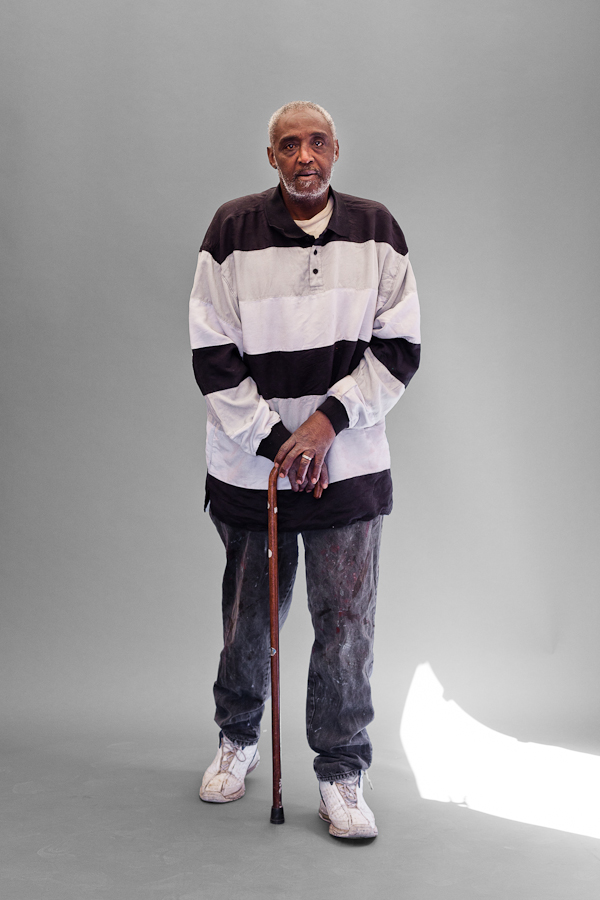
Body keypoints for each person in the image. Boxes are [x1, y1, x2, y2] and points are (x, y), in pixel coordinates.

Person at [188, 101, 420, 839]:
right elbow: (212, 353)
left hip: (348, 465)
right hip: (249, 468)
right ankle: (237, 738)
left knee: (347, 623)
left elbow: (399, 346)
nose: (304, 156)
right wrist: (277, 445)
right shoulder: (230, 230)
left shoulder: (378, 230)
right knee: (248, 617)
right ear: (272, 157)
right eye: (289, 145)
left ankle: (342, 772)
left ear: (336, 150)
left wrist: (324, 428)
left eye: (317, 142)